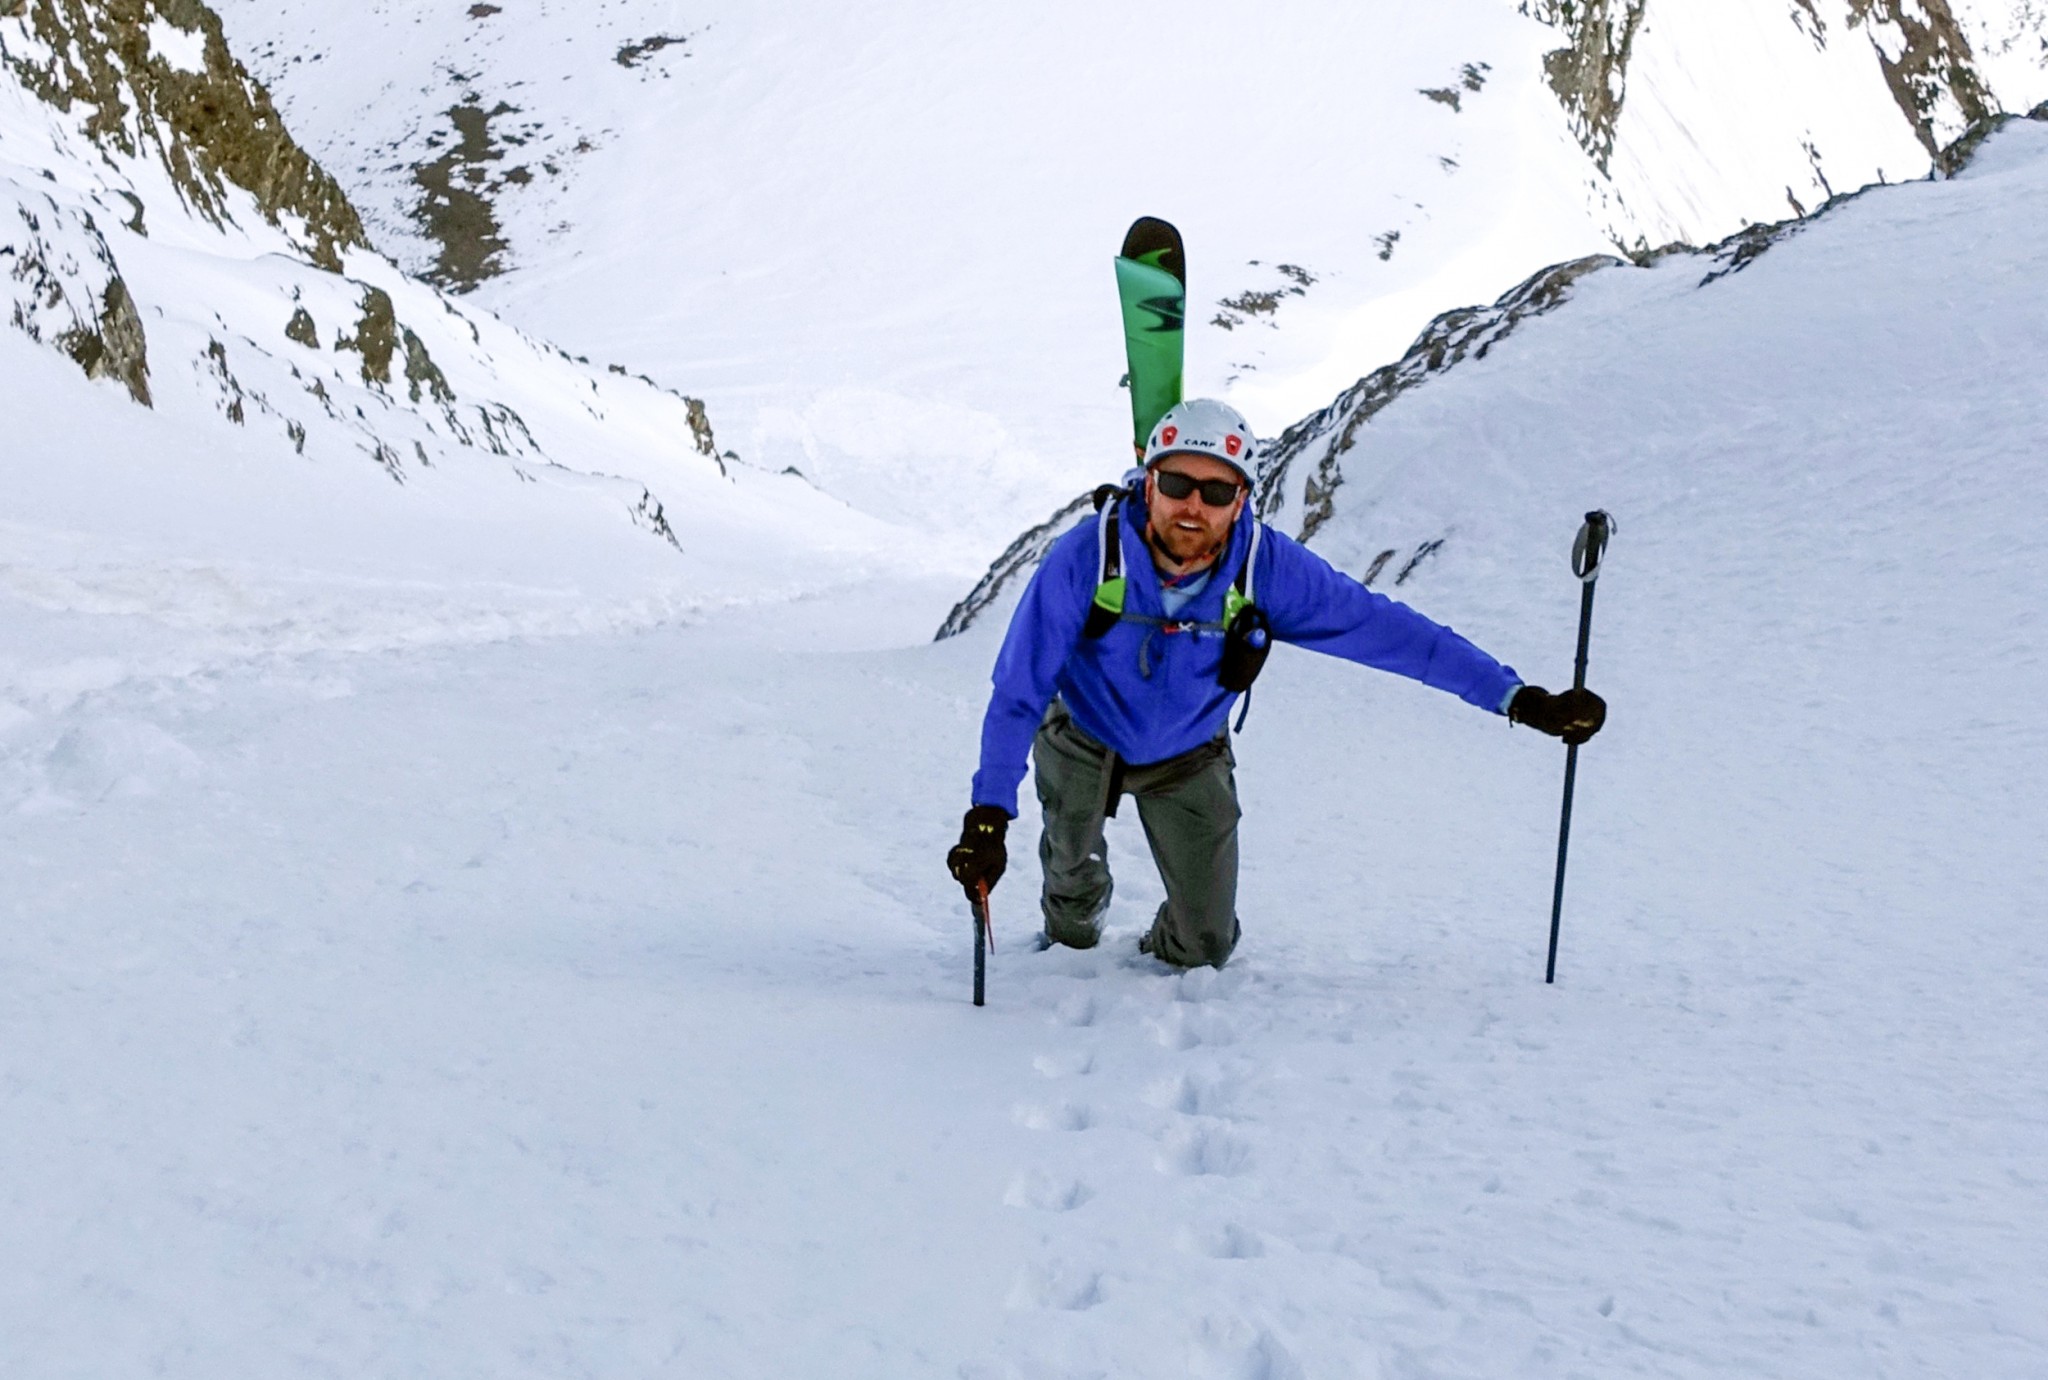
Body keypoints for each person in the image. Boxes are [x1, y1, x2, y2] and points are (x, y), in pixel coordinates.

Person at [946, 398, 1604, 968]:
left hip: (1188, 753)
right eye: (1177, 482)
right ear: (1149, 483)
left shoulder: (1267, 569)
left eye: (1216, 492)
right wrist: (989, 814)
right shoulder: (1086, 558)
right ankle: (1073, 930)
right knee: (1071, 890)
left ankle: (1157, 948)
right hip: (1084, 737)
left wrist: (1515, 698)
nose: (1193, 506)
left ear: (1242, 500)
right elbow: (1019, 689)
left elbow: (1392, 633)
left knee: (1206, 945)